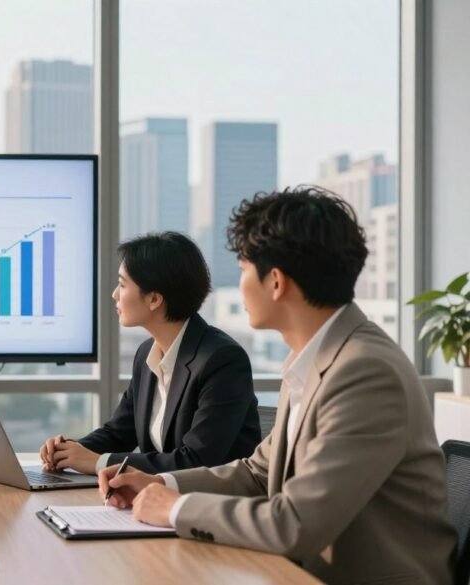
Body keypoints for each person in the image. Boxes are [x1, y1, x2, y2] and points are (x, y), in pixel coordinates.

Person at [100, 187, 457, 584]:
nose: (238, 287)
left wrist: (175, 508)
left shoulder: (366, 373)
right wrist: (160, 482)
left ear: (275, 282)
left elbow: (296, 523)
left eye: (242, 270)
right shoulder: (313, 360)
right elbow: (256, 473)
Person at [40, 232, 260, 475]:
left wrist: (98, 463)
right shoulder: (147, 354)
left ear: (154, 298)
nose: (115, 294)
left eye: (122, 284)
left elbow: (197, 461)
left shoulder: (222, 360)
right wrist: (69, 451)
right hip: (157, 500)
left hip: (210, 505)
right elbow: (119, 432)